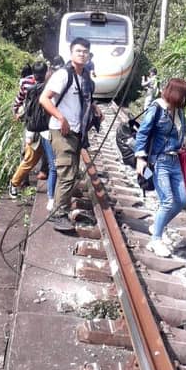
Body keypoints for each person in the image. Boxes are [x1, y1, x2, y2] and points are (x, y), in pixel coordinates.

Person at [40, 38, 103, 232]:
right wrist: (61, 118)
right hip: (61, 130)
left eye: (85, 52)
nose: (82, 54)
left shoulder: (85, 78)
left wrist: (94, 108)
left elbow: (83, 99)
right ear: (71, 53)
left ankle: (61, 209)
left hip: (77, 131)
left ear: (89, 55)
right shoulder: (63, 75)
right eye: (78, 51)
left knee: (71, 172)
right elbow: (44, 98)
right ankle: (59, 214)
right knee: (67, 173)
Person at [134, 77, 186, 258]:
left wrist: (181, 144)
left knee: (182, 200)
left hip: (175, 160)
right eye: (183, 95)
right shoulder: (157, 108)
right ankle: (155, 240)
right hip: (159, 161)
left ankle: (157, 225)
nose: (184, 99)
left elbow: (179, 132)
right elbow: (143, 132)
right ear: (175, 93)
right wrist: (140, 158)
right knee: (167, 201)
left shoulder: (178, 111)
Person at [9, 61, 49, 198]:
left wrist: (15, 111)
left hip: (30, 124)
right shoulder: (48, 85)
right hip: (42, 126)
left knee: (28, 156)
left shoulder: (26, 83)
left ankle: (20, 182)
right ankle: (16, 182)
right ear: (46, 72)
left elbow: (19, 99)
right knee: (31, 157)